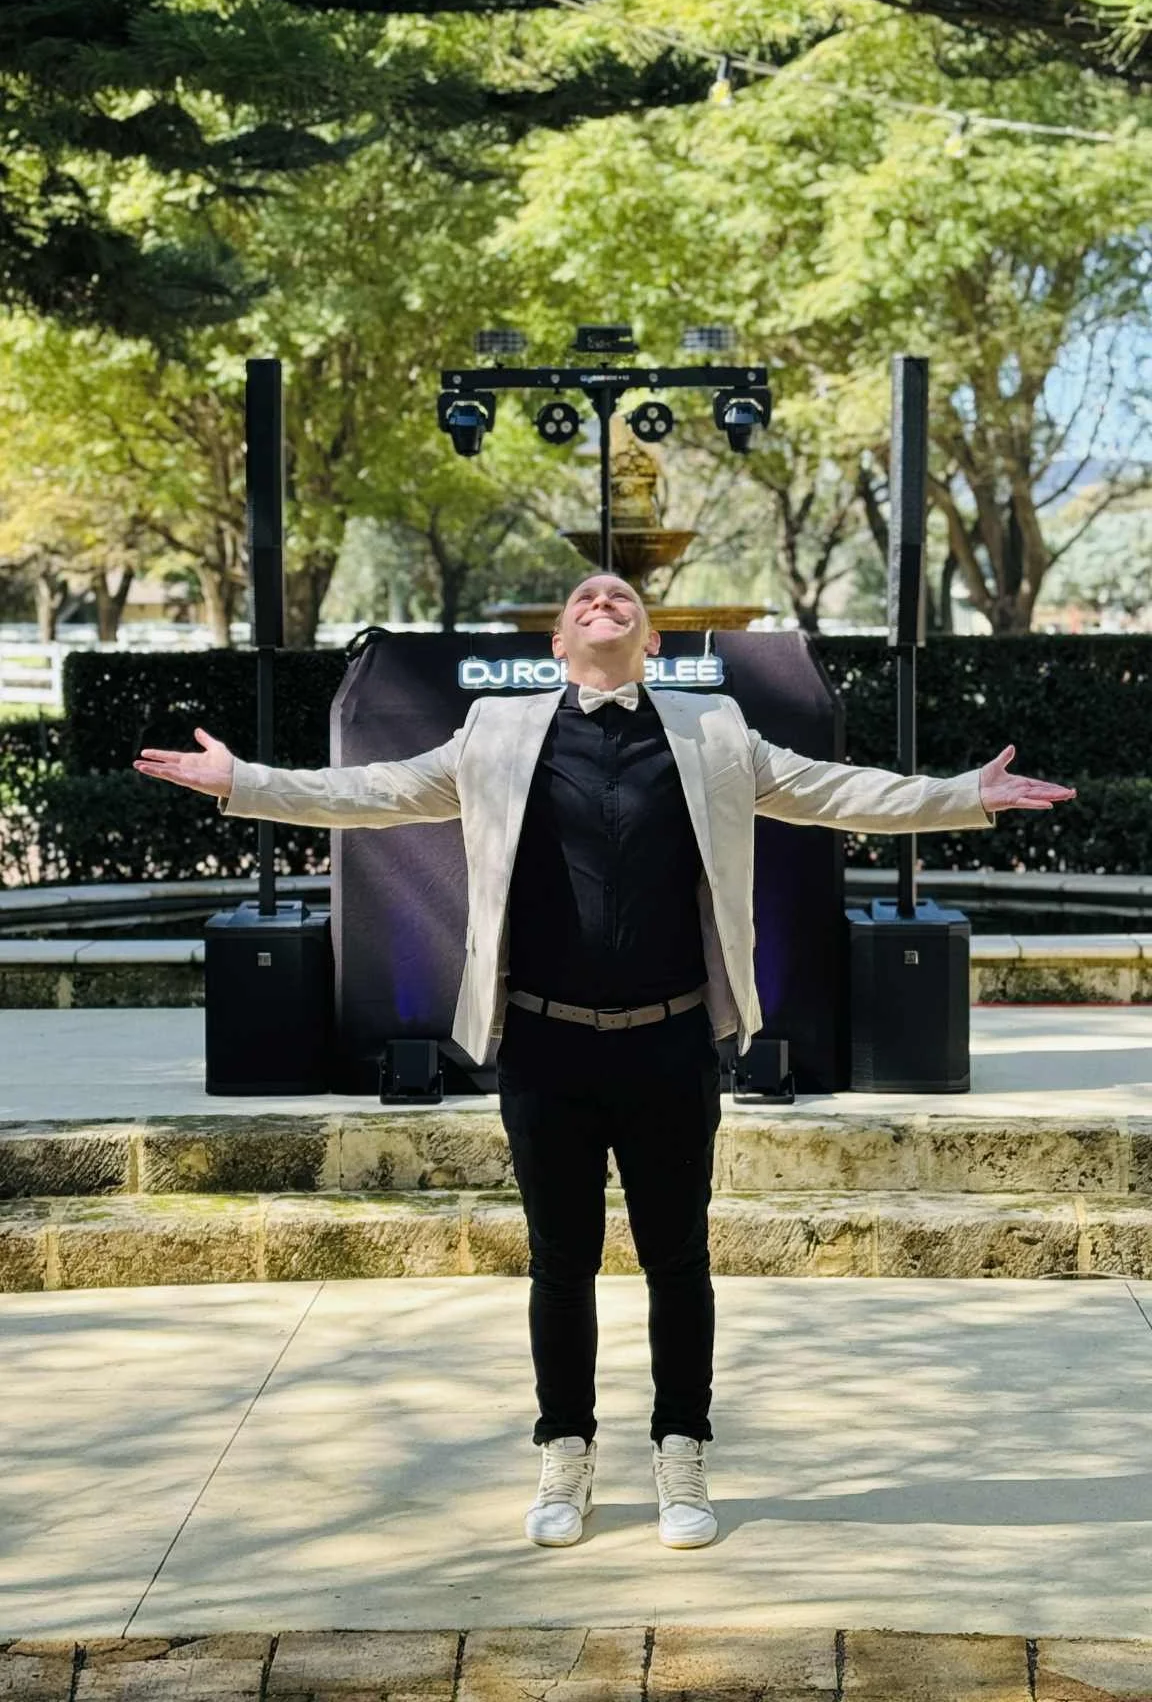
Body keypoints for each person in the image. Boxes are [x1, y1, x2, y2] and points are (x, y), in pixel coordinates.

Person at [135, 573, 1076, 1551]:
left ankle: (682, 1451)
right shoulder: (496, 731)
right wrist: (244, 782)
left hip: (673, 1038)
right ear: (556, 644)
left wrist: (967, 794)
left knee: (680, 1261)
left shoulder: (714, 731)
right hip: (544, 1039)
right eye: (584, 597)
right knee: (560, 1262)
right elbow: (370, 791)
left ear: (652, 639)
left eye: (621, 596)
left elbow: (839, 791)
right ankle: (565, 1451)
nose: (602, 598)